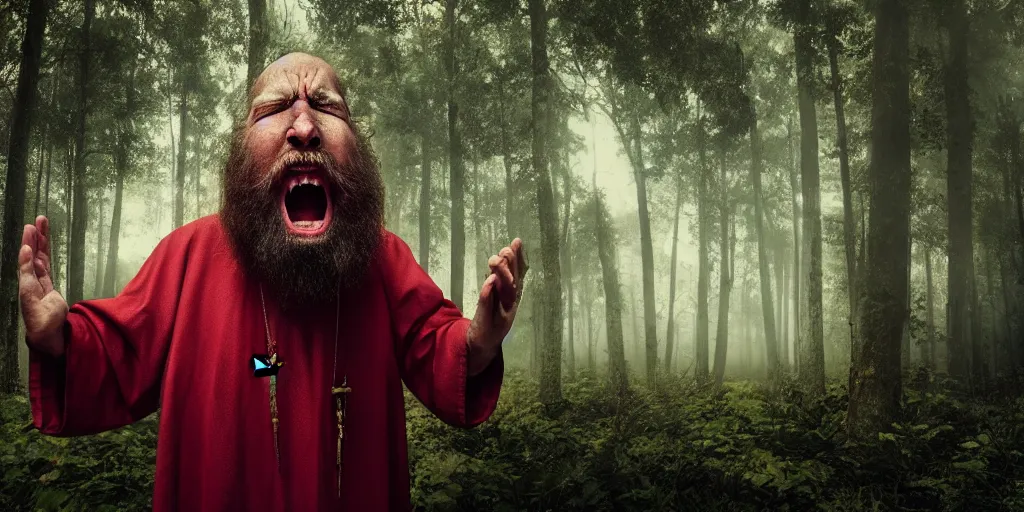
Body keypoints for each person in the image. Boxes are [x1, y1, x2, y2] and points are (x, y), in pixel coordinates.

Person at [17, 52, 526, 511]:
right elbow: (120, 347)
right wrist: (60, 339)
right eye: (274, 108)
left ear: (359, 145)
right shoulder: (188, 253)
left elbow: (438, 347)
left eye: (326, 106)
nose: (303, 126)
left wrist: (480, 338)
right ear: (240, 147)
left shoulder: (385, 256)